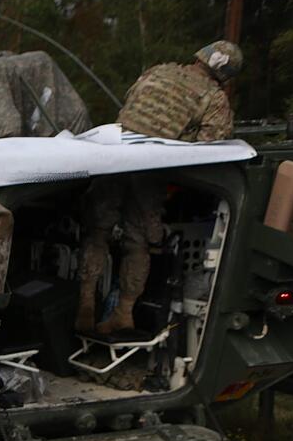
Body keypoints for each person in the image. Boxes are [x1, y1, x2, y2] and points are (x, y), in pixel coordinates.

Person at [75, 40, 243, 334]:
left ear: (200, 56)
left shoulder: (156, 72)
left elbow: (130, 108)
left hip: (113, 159)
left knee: (97, 231)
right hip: (150, 171)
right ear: (226, 74)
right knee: (137, 242)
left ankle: (85, 302)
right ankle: (124, 312)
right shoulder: (213, 98)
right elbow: (210, 146)